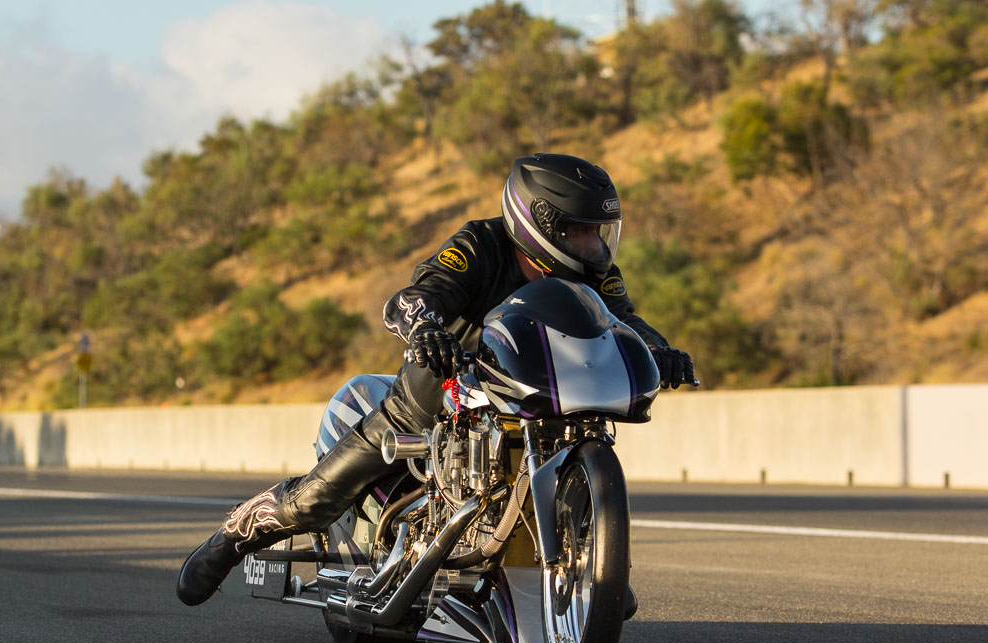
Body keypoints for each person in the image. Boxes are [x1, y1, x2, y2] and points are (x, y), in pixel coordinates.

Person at [177, 153, 694, 607]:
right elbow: (416, 296)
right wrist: (425, 328)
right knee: (316, 502)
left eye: (598, 231)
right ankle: (233, 535)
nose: (593, 244)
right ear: (541, 222)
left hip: (536, 397)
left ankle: (588, 557)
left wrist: (659, 350)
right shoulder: (479, 244)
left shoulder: (593, 271)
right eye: (580, 231)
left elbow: (623, 319)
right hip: (439, 396)